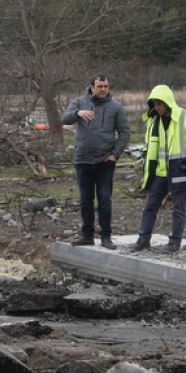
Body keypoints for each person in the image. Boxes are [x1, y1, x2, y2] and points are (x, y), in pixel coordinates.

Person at [131, 85, 186, 253]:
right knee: (150, 206)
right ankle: (143, 239)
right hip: (159, 172)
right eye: (154, 104)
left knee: (178, 208)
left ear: (168, 102)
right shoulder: (153, 121)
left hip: (179, 170)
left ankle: (174, 242)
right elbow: (149, 147)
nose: (156, 107)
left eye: (159, 104)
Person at [61, 75, 131, 249]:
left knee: (105, 199)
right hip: (83, 159)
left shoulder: (116, 107)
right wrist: (77, 113)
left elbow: (125, 132)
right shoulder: (79, 102)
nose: (103, 89)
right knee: (86, 200)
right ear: (92, 87)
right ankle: (87, 235)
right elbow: (64, 119)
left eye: (105, 86)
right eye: (100, 86)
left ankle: (106, 236)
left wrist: (115, 154)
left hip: (105, 161)